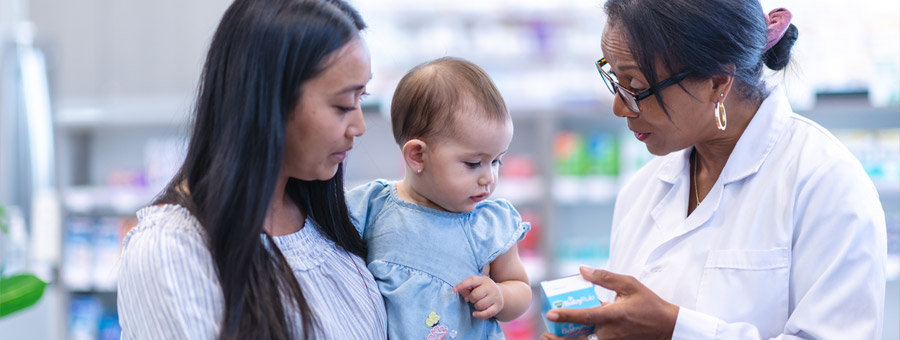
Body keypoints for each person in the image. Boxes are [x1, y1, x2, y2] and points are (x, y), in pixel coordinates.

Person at [542, 1, 887, 339]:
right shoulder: (641, 190)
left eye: (636, 87)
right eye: (614, 78)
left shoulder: (826, 181)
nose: (619, 106)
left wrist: (675, 330)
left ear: (718, 83)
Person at [116, 0, 387, 339]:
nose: (358, 126)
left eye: (363, 97)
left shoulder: (333, 221)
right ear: (269, 98)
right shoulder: (171, 250)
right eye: (343, 105)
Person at [346, 57, 532, 339]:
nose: (488, 178)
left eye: (496, 161)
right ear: (418, 155)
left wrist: (501, 296)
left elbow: (520, 286)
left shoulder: (488, 224)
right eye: (473, 164)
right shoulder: (373, 206)